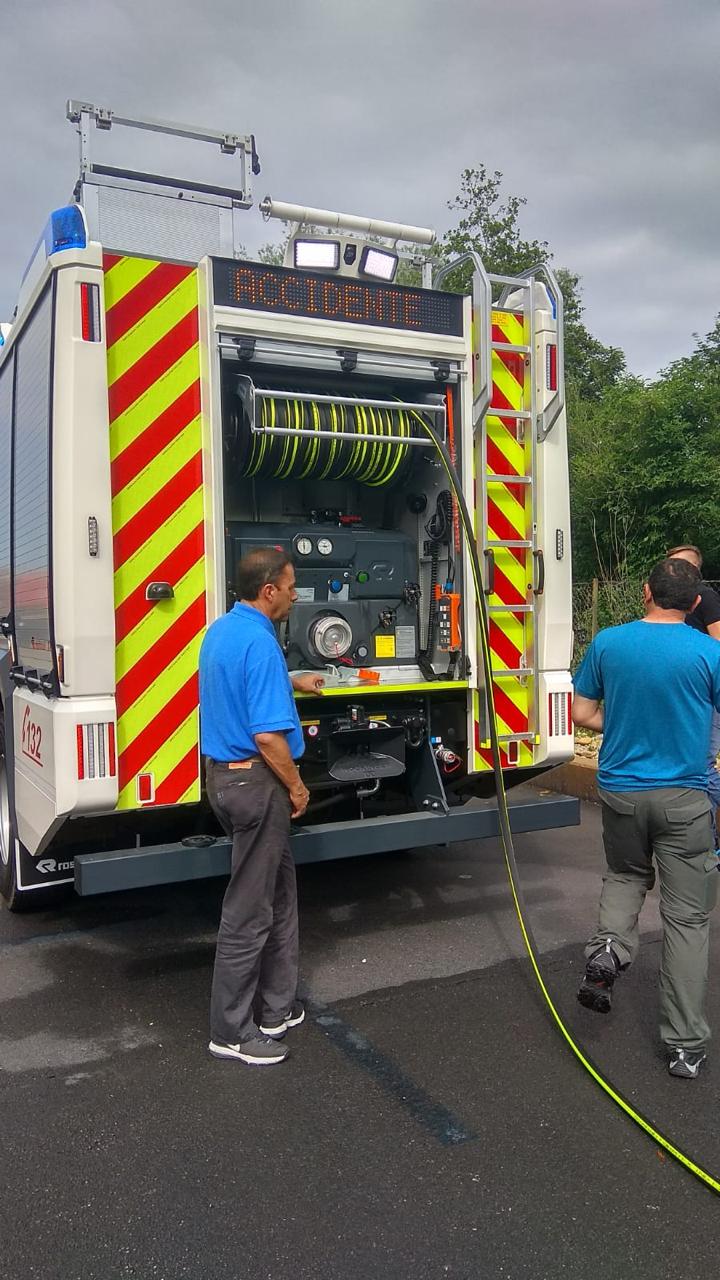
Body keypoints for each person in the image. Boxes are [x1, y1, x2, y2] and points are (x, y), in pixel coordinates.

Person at [572, 557, 720, 1079]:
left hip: (621, 795)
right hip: (684, 798)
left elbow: (583, 713)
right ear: (696, 604)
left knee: (626, 876)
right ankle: (684, 1045)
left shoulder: (609, 643)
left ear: (645, 592)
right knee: (687, 918)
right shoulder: (710, 652)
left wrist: (627, 722)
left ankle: (609, 949)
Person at [199, 547, 324, 1066]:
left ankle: (277, 1008)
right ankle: (230, 1030)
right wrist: (297, 788)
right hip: (258, 784)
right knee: (249, 912)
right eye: (291, 585)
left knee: (280, 894)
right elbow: (268, 736)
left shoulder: (224, 631)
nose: (297, 594)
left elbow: (238, 684)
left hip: (227, 780)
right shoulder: (261, 642)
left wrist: (291, 681)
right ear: (268, 589)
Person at [666, 544, 720, 820]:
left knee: (703, 762)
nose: (677, 571)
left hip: (704, 695)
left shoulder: (706, 597)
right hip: (680, 692)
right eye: (673, 565)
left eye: (684, 566)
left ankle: (709, 839)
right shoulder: (666, 603)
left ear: (697, 571)